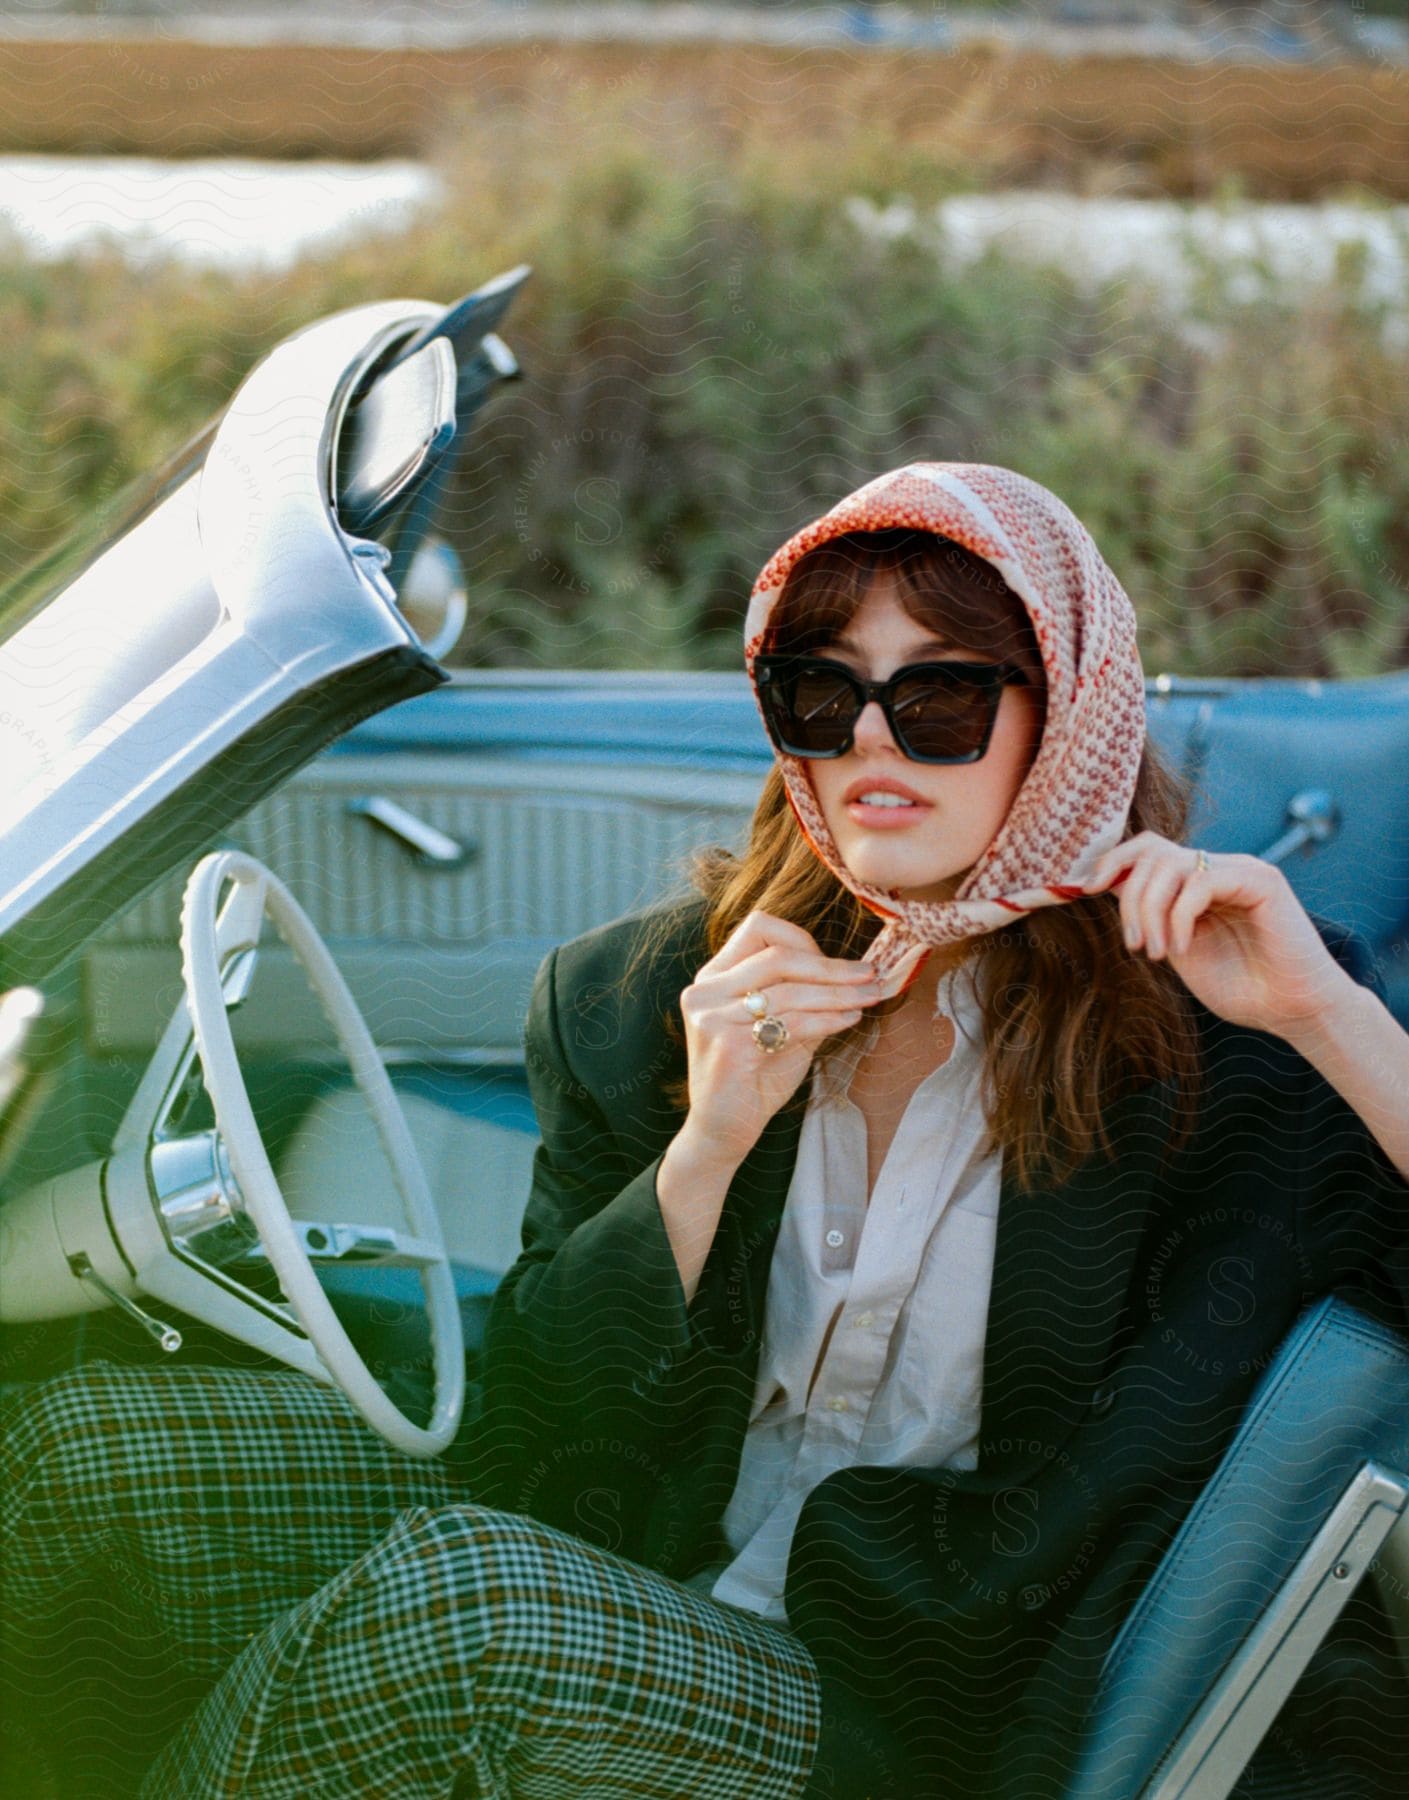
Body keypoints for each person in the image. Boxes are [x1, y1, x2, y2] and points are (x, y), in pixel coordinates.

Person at [3, 462, 1408, 1799]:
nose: (869, 740)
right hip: (642, 1525)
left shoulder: (1224, 1046)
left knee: (466, 1616)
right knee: (86, 1447)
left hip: (909, 1680)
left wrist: (1330, 1022)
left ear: (1070, 714)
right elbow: (540, 1426)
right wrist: (709, 1143)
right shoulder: (645, 990)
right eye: (820, 693)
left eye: (940, 699)